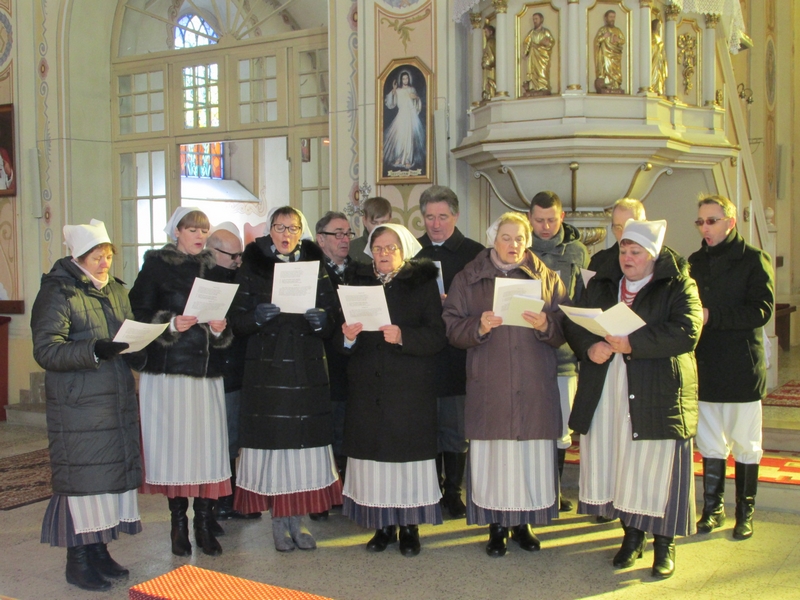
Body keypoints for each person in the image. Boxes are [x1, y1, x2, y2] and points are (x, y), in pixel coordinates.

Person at [565, 219, 702, 579]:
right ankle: (631, 537)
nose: (627, 256)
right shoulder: (603, 282)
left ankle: (664, 545)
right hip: (609, 386)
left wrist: (634, 344)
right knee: (621, 461)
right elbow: (574, 322)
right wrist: (588, 345)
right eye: (624, 249)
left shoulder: (678, 284)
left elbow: (687, 331)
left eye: (635, 251)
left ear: (653, 255)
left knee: (655, 467)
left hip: (657, 388)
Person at [443, 212, 569, 557]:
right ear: (493, 240)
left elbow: (566, 327)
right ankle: (496, 526)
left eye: (520, 239)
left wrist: (547, 324)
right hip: (492, 383)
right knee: (495, 459)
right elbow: (451, 326)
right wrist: (478, 327)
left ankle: (523, 523)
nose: (514, 245)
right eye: (506, 238)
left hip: (532, 383)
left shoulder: (547, 277)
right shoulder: (468, 277)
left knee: (527, 457)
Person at [32, 219, 144, 592]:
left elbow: (124, 335)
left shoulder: (115, 290)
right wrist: (93, 350)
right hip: (79, 405)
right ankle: (77, 561)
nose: (105, 263)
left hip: (113, 400)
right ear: (77, 257)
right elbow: (47, 350)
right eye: (97, 257)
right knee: (84, 484)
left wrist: (141, 348)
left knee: (106, 483)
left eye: (109, 255)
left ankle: (98, 551)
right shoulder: (58, 293)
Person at [229, 206, 342, 553]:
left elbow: (334, 314)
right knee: (277, 448)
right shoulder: (253, 265)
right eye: (279, 227)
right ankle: (280, 522)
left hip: (307, 368)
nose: (286, 233)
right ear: (270, 231)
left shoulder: (316, 264)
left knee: (303, 448)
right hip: (269, 369)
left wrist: (322, 320)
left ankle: (300, 520)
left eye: (292, 227)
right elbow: (236, 319)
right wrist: (256, 318)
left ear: (301, 231)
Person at [129, 207, 233, 558]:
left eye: (204, 230)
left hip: (206, 374)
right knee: (177, 450)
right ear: (177, 232)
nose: (199, 235)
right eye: (192, 229)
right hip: (170, 372)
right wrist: (172, 324)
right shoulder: (156, 266)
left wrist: (221, 329)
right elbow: (139, 313)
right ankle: (178, 526)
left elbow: (225, 321)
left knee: (205, 449)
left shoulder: (214, 269)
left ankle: (204, 525)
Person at [340, 223, 448, 557]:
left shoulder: (423, 282)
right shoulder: (355, 281)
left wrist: (404, 337)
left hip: (408, 389)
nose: (384, 254)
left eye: (391, 248)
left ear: (404, 251)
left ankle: (410, 527)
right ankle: (383, 525)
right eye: (378, 248)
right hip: (367, 388)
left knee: (406, 461)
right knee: (374, 462)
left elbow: (437, 336)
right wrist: (347, 336)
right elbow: (337, 339)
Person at [688, 195, 774, 541]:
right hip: (706, 365)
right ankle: (712, 510)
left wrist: (713, 316)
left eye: (711, 221)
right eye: (700, 222)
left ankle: (745, 512)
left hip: (740, 366)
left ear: (730, 222)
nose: (705, 228)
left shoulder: (753, 260)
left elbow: (761, 311)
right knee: (709, 443)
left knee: (746, 444)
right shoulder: (694, 261)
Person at [415, 186, 484, 519]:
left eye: (443, 216)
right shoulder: (411, 251)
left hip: (459, 354)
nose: (436, 224)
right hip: (424, 355)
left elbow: (486, 301)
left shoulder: (475, 253)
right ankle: (430, 489)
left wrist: (456, 304)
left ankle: (453, 491)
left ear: (455, 216)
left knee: (456, 428)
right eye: (430, 217)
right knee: (427, 426)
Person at [528, 191, 589, 512]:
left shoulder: (577, 252)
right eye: (539, 220)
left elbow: (582, 299)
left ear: (562, 216)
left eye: (551, 219)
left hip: (564, 352)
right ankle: (533, 488)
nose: (546, 226)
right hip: (528, 352)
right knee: (532, 423)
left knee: (562, 426)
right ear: (529, 219)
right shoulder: (519, 250)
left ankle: (554, 489)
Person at [205, 223, 261, 522]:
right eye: (233, 255)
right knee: (221, 440)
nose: (239, 261)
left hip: (240, 369)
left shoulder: (240, 278)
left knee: (235, 437)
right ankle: (221, 501)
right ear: (213, 252)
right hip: (217, 371)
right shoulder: (205, 281)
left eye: (241, 255)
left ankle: (234, 496)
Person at [313, 211, 357, 518]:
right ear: (320, 239)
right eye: (337, 234)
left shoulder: (360, 271)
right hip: (324, 361)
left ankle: (348, 490)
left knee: (349, 430)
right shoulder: (311, 273)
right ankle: (322, 494)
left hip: (357, 362)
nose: (344, 240)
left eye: (347, 234)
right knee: (326, 430)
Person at [588, 198, 646, 273]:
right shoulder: (600, 262)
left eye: (628, 227)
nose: (623, 233)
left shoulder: (658, 261)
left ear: (643, 226)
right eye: (618, 228)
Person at [383, 69, 425, 171]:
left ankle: (407, 160)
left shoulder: (412, 89)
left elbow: (417, 102)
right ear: (401, 80)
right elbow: (390, 103)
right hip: (401, 114)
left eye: (406, 78)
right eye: (403, 78)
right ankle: (398, 157)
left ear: (408, 79)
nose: (405, 80)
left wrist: (416, 98)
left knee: (409, 138)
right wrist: (393, 91)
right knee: (400, 137)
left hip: (410, 116)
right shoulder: (398, 91)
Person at [349, 196, 393, 264]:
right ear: (364, 221)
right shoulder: (351, 249)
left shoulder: (399, 246)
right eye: (374, 223)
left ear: (390, 220)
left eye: (384, 222)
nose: (379, 227)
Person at [523, 13, 555, 95]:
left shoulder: (546, 32)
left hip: (542, 56)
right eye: (533, 19)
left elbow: (551, 42)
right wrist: (525, 52)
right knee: (533, 71)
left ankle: (543, 87)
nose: (534, 21)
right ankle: (534, 87)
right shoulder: (532, 33)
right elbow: (526, 42)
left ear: (541, 20)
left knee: (542, 71)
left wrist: (545, 43)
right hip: (533, 56)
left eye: (536, 19)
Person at [594, 9, 625, 93]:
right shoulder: (603, 30)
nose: (612, 19)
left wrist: (617, 39)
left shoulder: (617, 30)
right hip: (606, 54)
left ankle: (615, 85)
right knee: (606, 68)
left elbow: (623, 40)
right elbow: (597, 41)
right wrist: (604, 36)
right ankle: (607, 84)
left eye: (614, 17)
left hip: (616, 55)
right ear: (606, 18)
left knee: (616, 70)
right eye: (610, 17)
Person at [651, 18, 667, 96]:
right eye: (658, 25)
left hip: (659, 58)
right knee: (655, 72)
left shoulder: (658, 36)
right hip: (655, 57)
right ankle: (654, 87)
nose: (659, 27)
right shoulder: (652, 36)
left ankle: (658, 89)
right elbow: (652, 47)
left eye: (660, 25)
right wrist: (658, 46)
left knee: (659, 73)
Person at [482, 24, 497, 100]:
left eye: (486, 32)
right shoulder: (489, 42)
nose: (485, 34)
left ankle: (491, 95)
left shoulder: (491, 42)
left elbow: (492, 56)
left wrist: (486, 63)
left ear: (491, 32)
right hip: (487, 67)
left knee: (490, 83)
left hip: (490, 68)